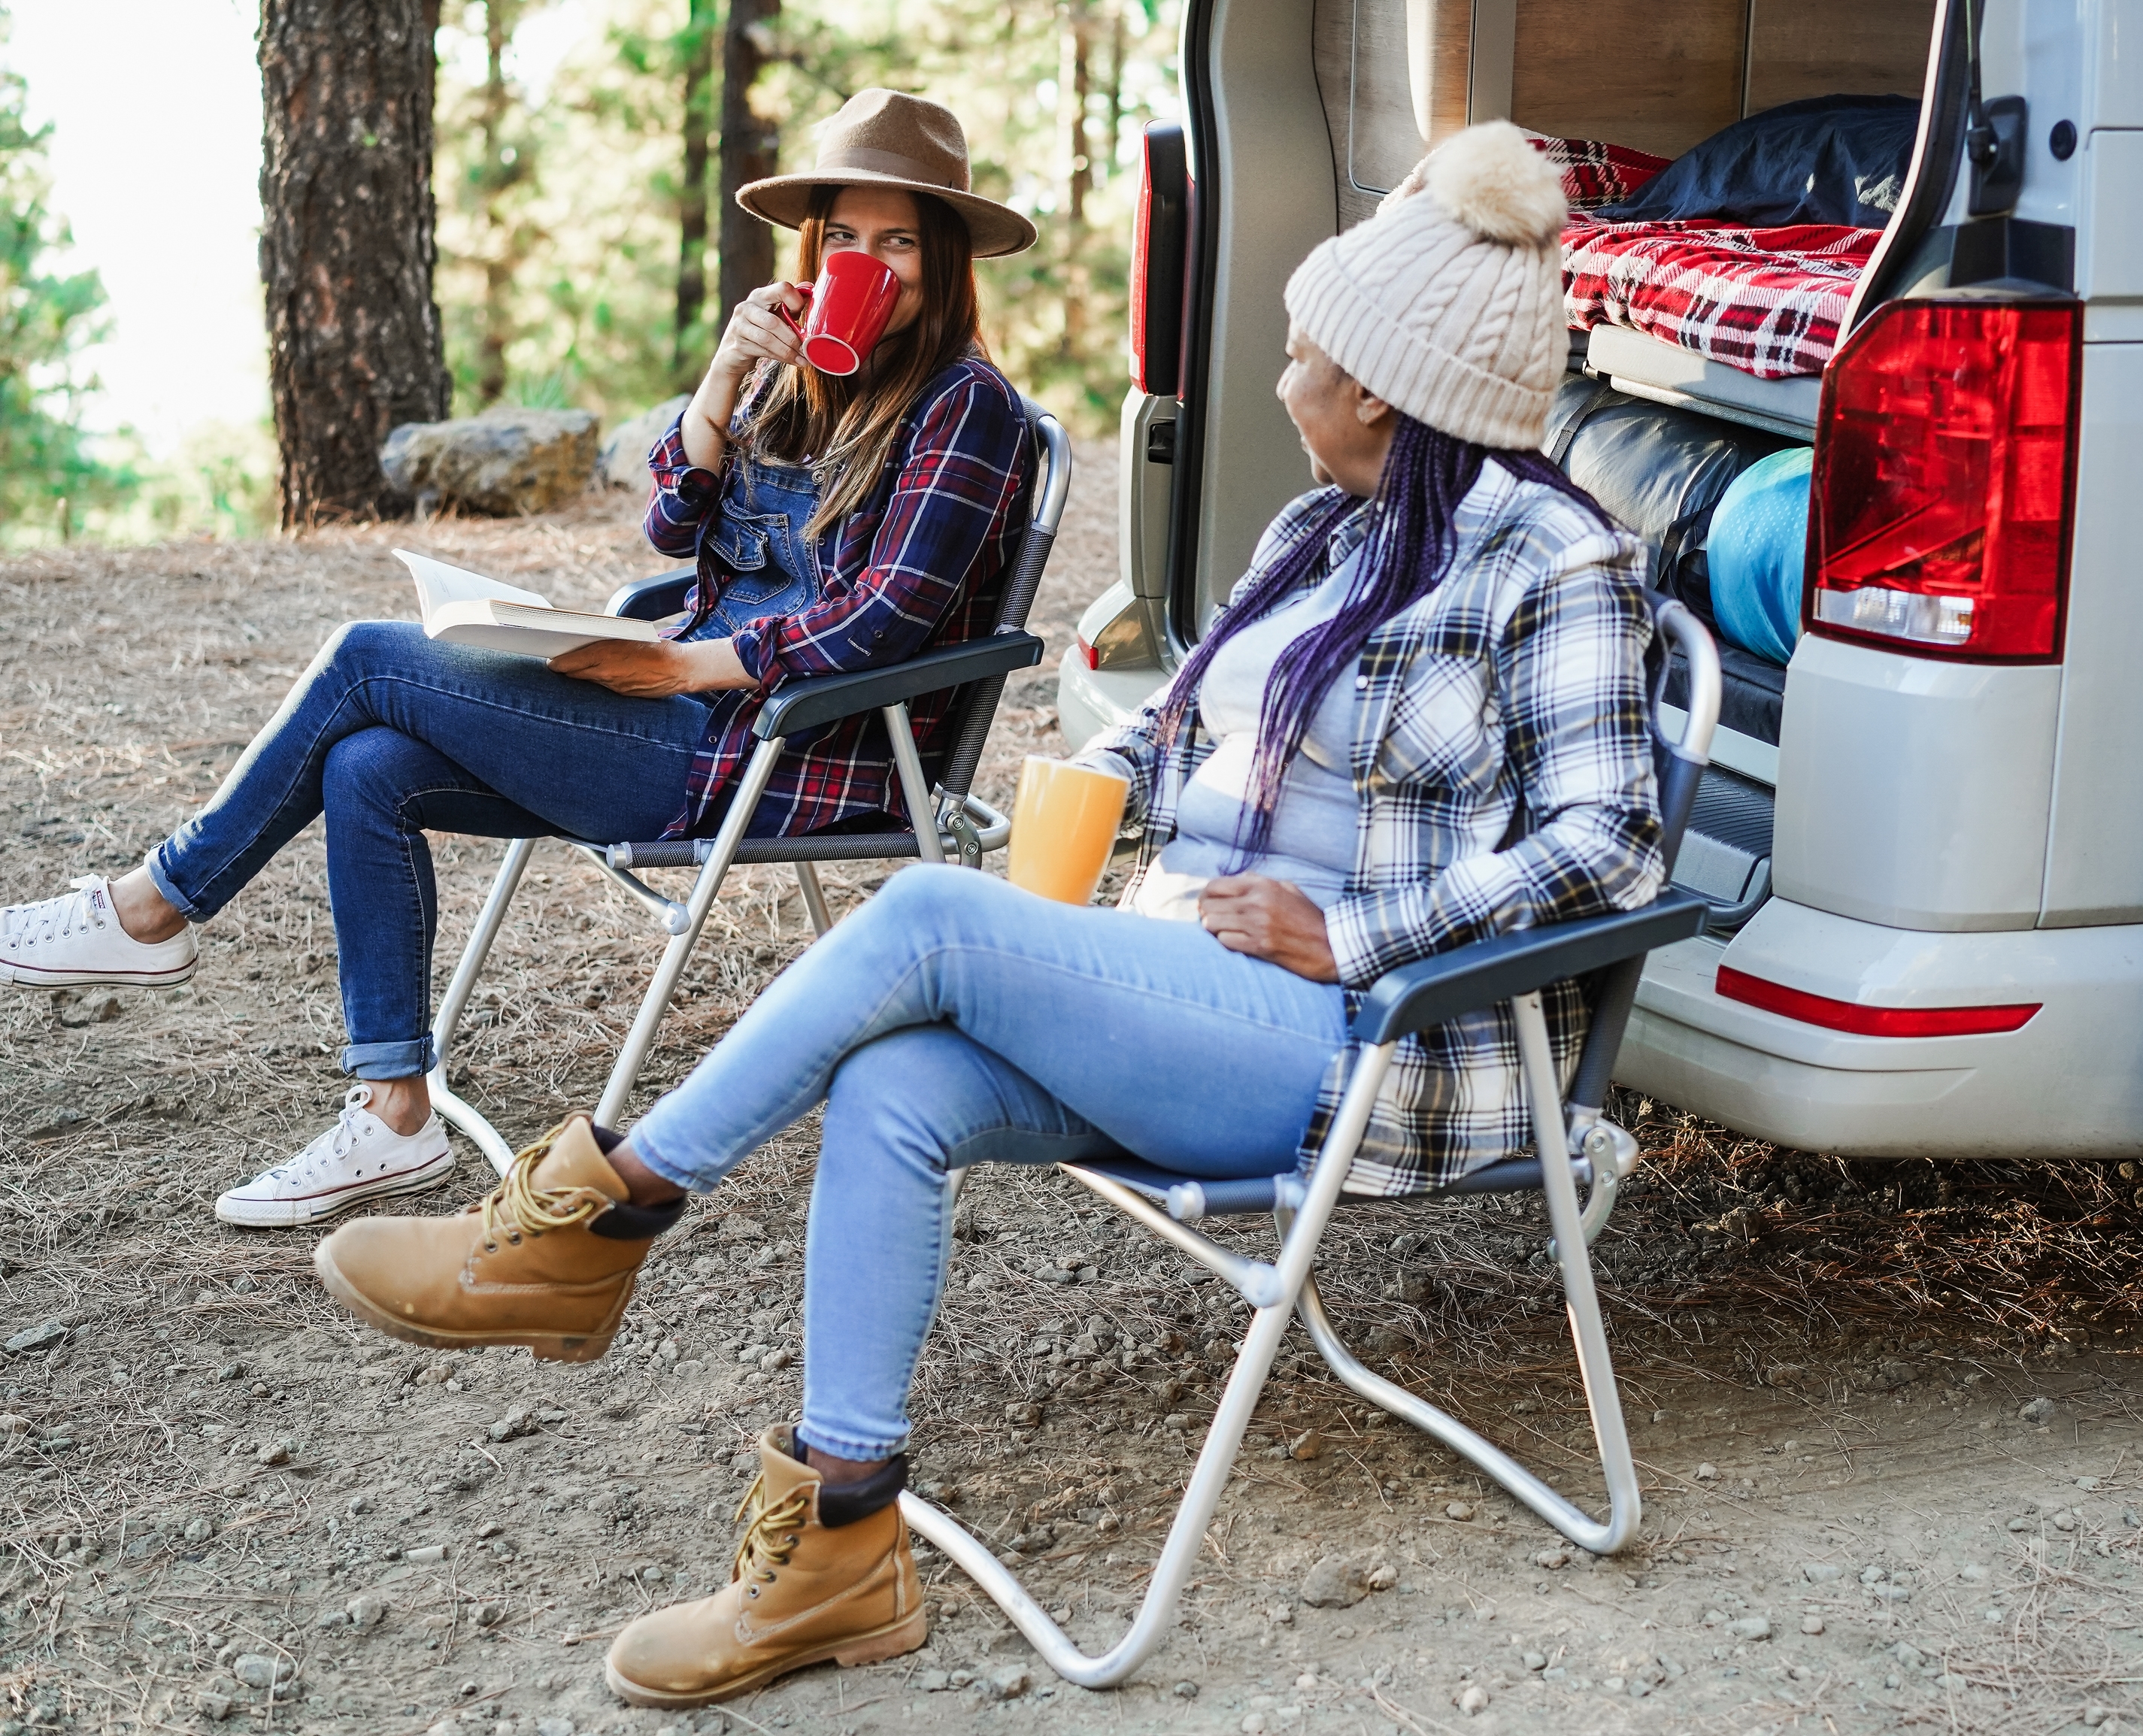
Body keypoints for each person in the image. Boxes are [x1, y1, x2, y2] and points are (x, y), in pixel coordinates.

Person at [310, 121, 1661, 1710]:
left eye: (1300, 347)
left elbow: (1611, 846)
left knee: (932, 920)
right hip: (1185, 980)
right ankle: (838, 1548)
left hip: (1356, 1043)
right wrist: (1089, 774)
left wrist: (1354, 938)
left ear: (1372, 387)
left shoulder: (1557, 562)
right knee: (897, 1086)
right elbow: (1166, 737)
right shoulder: (1317, 534)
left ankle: (588, 1226)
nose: (1280, 367)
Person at [0, 90, 1038, 1229]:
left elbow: (885, 620)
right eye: (845, 238)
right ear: (812, 248)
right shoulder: (800, 375)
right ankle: (394, 1111)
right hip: (693, 713)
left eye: (898, 243)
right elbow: (675, 531)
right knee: (371, 766)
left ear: (944, 261)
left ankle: (154, 906)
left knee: (363, 659)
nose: (867, 264)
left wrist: (682, 670)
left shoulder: (965, 407)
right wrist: (717, 390)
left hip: (785, 752)